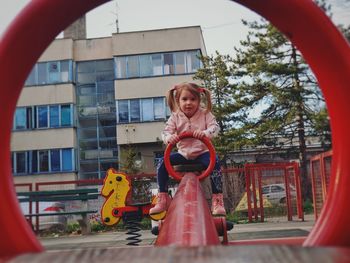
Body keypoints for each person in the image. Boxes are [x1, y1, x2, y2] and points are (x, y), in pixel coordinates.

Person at [150, 82, 226, 216]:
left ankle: (217, 200)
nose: (188, 103)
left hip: (202, 153)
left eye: (193, 99)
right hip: (183, 154)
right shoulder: (175, 116)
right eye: (184, 99)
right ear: (178, 101)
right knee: (162, 162)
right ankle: (163, 198)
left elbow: (215, 128)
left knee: (215, 162)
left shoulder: (205, 114)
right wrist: (170, 138)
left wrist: (205, 133)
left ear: (199, 100)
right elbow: (165, 133)